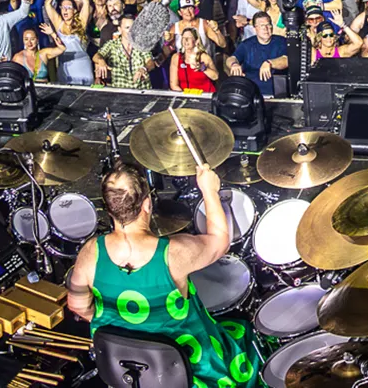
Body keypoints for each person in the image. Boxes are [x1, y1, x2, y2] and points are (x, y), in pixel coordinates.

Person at [66, 162, 255, 387]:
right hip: (188, 368)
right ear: (147, 204)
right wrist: (209, 191)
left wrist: (127, 328)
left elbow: (77, 305)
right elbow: (220, 241)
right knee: (245, 337)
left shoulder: (91, 252)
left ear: (108, 209)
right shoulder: (172, 254)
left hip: (124, 367)